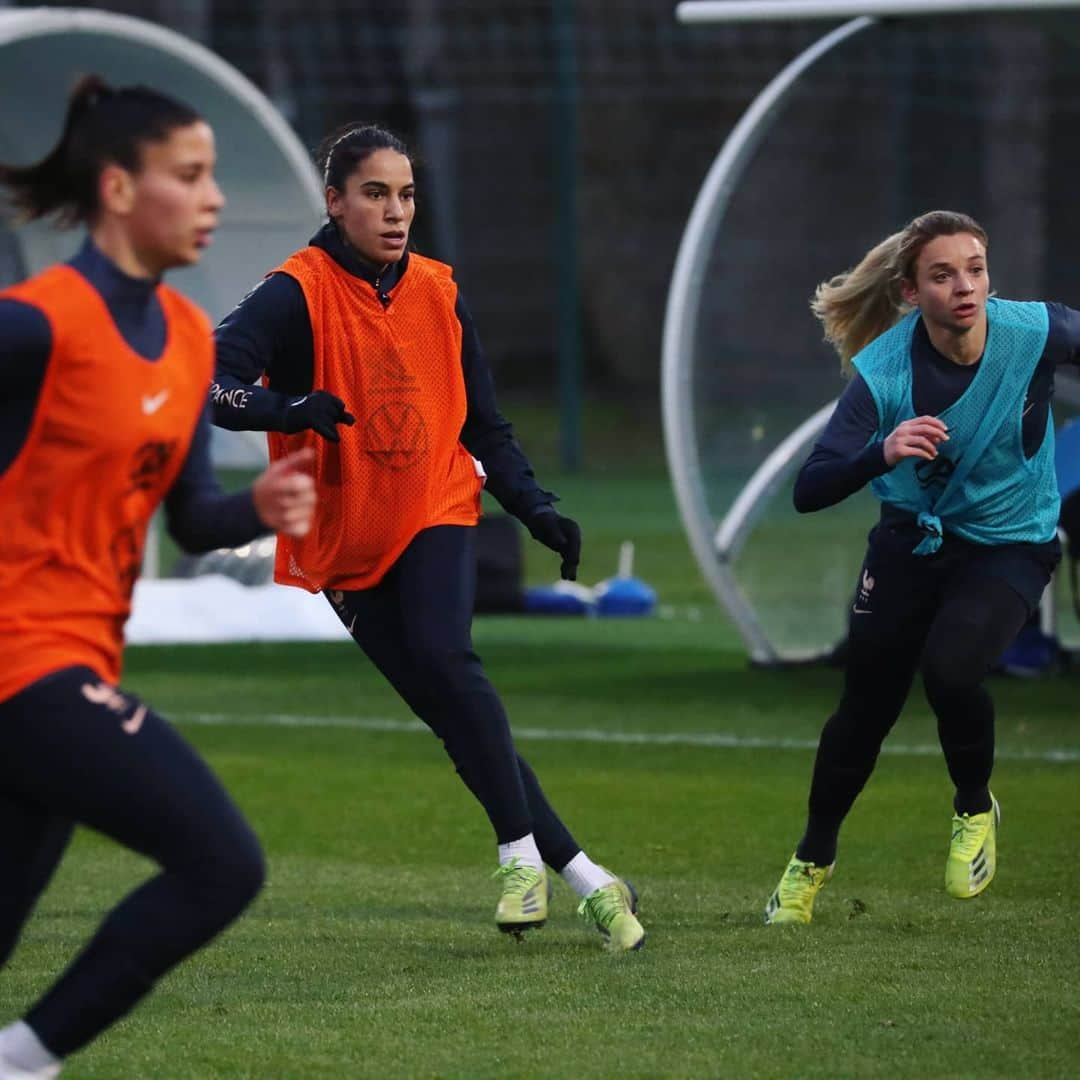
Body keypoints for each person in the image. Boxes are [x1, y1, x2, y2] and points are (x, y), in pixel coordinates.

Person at [210, 123, 645, 951]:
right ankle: (587, 878)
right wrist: (287, 408)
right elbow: (213, 380)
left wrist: (533, 505)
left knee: (450, 660)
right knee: (454, 718)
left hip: (436, 505)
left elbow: (485, 424)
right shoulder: (293, 291)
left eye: (406, 194)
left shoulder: (440, 291)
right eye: (375, 193)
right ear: (334, 202)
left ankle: (518, 859)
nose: (396, 211)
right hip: (344, 543)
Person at [0, 76, 316, 1078]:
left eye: (214, 174)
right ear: (119, 190)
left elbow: (189, 518)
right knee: (221, 862)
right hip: (21, 665)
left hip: (71, 664)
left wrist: (258, 514)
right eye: (190, 174)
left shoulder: (188, 340)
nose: (214, 196)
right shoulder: (33, 325)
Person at [764, 210, 1080, 925]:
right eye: (943, 275)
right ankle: (810, 861)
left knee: (952, 668)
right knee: (863, 712)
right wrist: (883, 450)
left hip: (1010, 543)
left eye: (975, 268)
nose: (965, 286)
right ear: (911, 293)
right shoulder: (883, 374)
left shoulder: (1035, 331)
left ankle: (973, 806)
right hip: (912, 543)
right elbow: (810, 490)